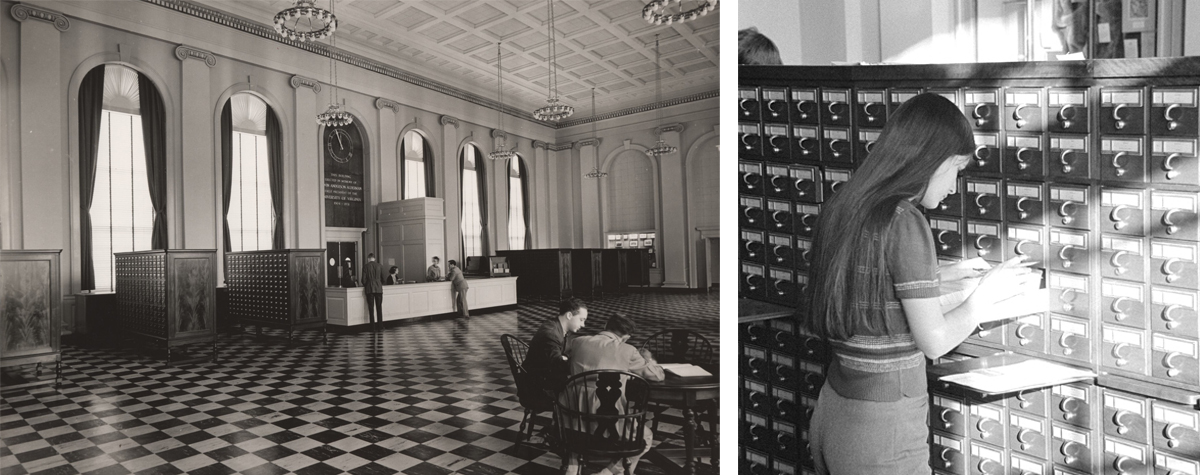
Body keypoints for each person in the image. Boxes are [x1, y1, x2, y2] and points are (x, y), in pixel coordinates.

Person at [801, 93, 1039, 475]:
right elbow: (936, 341)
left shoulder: (847, 203)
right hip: (884, 427)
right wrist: (985, 296)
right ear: (934, 159)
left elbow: (859, 282)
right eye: (957, 168)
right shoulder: (905, 219)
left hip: (834, 409)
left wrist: (935, 279)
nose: (954, 185)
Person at [560, 313, 663, 475]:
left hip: (570, 419)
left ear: (605, 327)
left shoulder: (577, 342)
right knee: (646, 438)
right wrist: (649, 360)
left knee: (577, 436)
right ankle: (608, 473)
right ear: (626, 336)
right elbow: (657, 376)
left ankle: (572, 468)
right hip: (608, 421)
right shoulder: (628, 350)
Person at [525, 299, 589, 393]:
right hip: (537, 387)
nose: (583, 325)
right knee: (583, 392)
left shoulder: (556, 326)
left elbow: (565, 353)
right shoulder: (551, 333)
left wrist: (565, 357)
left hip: (544, 377)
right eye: (581, 320)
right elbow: (558, 365)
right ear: (569, 315)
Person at [362, 253, 385, 332]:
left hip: (369, 288)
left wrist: (368, 283)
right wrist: (378, 283)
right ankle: (380, 326)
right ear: (374, 258)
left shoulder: (365, 266)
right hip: (378, 288)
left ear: (368, 258)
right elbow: (383, 278)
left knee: (371, 308)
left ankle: (372, 327)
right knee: (379, 307)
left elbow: (363, 280)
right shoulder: (380, 266)